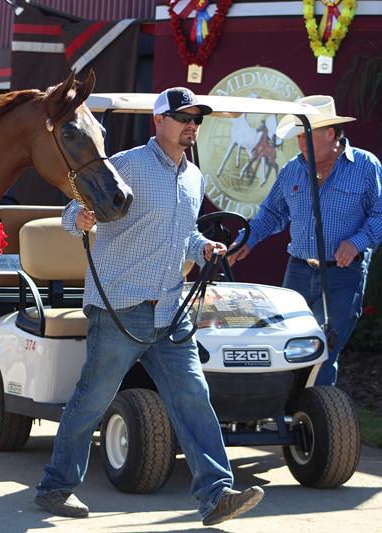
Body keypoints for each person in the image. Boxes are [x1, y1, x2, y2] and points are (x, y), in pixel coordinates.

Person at [34, 87, 264, 526]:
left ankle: (216, 494)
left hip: (171, 312)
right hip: (121, 308)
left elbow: (185, 236)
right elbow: (72, 210)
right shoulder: (128, 165)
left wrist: (205, 247)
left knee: (194, 396)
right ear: (158, 122)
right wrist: (78, 219)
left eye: (197, 118)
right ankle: (55, 488)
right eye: (183, 117)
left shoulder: (194, 178)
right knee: (93, 399)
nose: (191, 124)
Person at [228, 95, 382, 386]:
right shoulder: (293, 168)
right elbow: (271, 213)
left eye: (307, 136)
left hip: (344, 275)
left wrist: (357, 242)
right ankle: (286, 415)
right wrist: (246, 241)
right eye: (298, 137)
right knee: (286, 343)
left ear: (331, 133)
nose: (301, 144)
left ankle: (317, 419)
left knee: (322, 350)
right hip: (299, 271)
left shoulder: (366, 166)